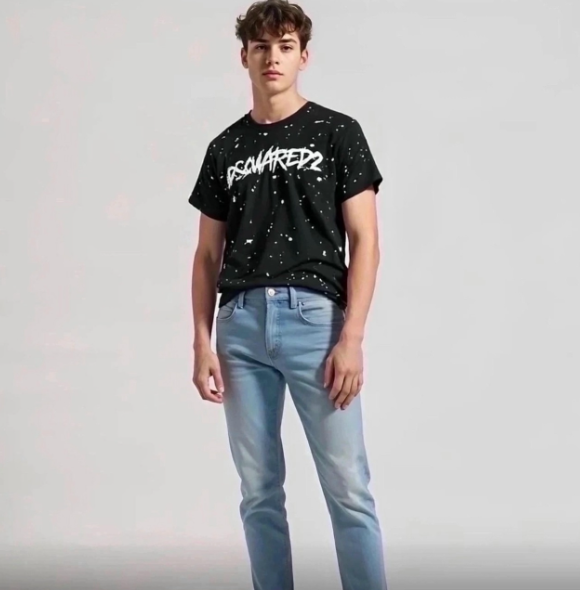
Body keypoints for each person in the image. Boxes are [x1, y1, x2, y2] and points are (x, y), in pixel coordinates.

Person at [188, 1, 388, 588]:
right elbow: (206, 256)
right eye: (261, 47)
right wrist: (201, 342)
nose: (272, 58)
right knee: (258, 490)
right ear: (244, 57)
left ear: (304, 55)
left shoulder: (337, 132)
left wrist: (351, 336)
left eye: (284, 46)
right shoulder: (225, 148)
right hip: (241, 328)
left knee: (348, 488)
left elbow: (365, 241)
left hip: (315, 324)